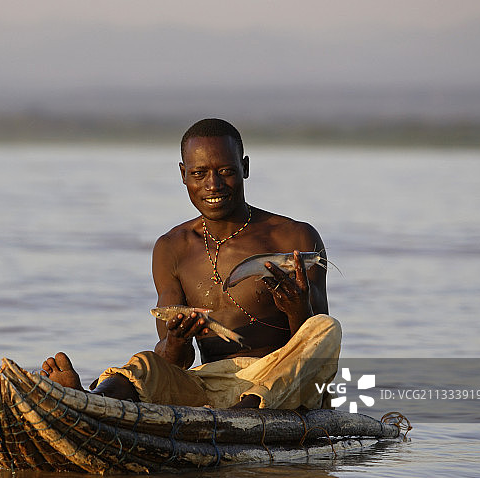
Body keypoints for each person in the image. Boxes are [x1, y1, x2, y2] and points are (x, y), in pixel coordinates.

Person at [41, 118, 340, 410]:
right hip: (210, 384)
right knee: (145, 364)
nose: (213, 185)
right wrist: (176, 340)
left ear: (245, 168)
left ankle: (241, 417)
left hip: (281, 380)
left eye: (225, 171)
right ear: (183, 174)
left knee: (326, 328)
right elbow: (175, 361)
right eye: (199, 174)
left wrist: (297, 308)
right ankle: (89, 402)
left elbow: (315, 351)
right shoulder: (172, 247)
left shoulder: (295, 236)